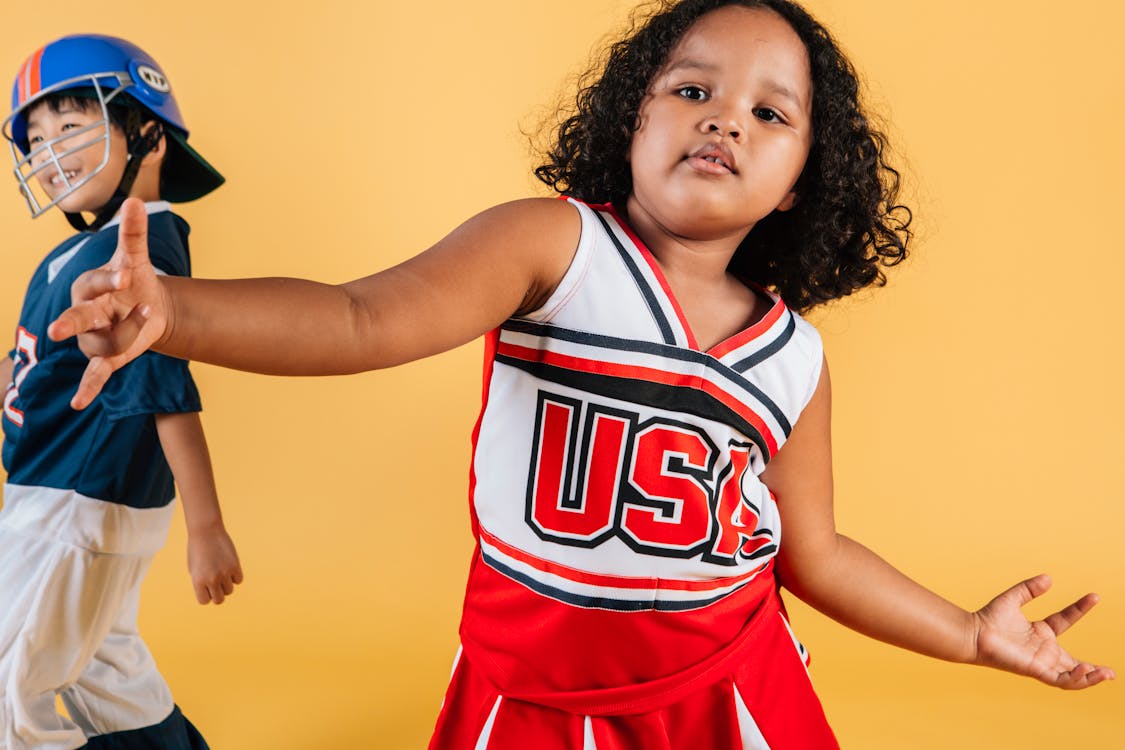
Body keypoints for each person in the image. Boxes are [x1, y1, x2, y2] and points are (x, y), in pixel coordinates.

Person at [48, 2, 1113, 748]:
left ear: (801, 186)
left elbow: (816, 551)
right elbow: (361, 315)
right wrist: (179, 313)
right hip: (533, 696)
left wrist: (969, 635)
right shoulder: (553, 246)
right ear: (631, 119)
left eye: (770, 113)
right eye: (692, 87)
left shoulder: (792, 358)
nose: (723, 117)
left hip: (725, 684)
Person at [0, 34, 242, 750]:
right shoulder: (77, 249)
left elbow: (166, 388)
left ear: (147, 132)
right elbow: (36, 363)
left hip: (76, 501)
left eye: (70, 126)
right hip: (58, 495)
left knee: (11, 683)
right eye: (36, 137)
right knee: (102, 668)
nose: (47, 151)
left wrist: (205, 528)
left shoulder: (140, 249)